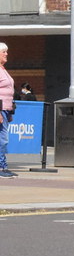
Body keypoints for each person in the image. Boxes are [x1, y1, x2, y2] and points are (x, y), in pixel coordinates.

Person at [0, 42, 17, 178]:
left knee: (3, 139)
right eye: (4, 52)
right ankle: (1, 167)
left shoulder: (3, 69)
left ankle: (3, 166)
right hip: (1, 110)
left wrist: (9, 111)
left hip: (6, 109)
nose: (6, 54)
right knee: (2, 139)